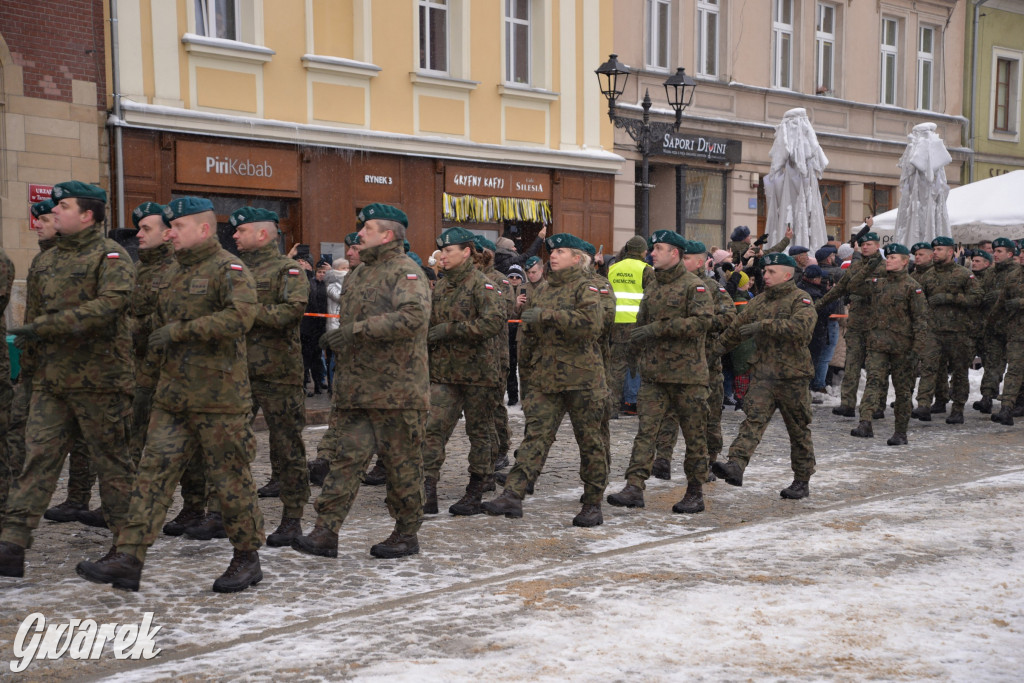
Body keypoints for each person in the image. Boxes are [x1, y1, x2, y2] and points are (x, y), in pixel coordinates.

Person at [76, 196, 265, 593]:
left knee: (230, 480)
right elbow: (147, 319)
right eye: (170, 227)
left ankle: (247, 557)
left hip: (219, 400)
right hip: (172, 396)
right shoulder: (172, 272)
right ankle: (129, 557)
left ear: (204, 229)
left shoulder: (228, 269)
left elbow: (240, 317)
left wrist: (182, 331)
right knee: (151, 476)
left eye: (178, 227)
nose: (171, 234)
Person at [1, 181, 137, 580]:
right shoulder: (46, 261)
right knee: (35, 460)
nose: (53, 212)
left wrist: (52, 325)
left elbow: (111, 306)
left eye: (63, 206)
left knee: (112, 465)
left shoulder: (111, 256)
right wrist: (28, 375)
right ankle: (12, 544)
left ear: (88, 215)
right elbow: (33, 324)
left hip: (101, 381)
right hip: (50, 381)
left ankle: (126, 552)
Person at [291, 203, 430, 559]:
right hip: (357, 389)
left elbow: (412, 317)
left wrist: (355, 331)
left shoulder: (406, 271)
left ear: (386, 234)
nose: (359, 235)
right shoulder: (358, 274)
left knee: (401, 467)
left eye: (367, 229)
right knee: (345, 462)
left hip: (396, 393)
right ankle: (325, 531)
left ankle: (405, 532)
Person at [483, 233, 608, 526]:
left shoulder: (586, 287)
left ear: (577, 258)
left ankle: (592, 503)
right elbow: (529, 333)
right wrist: (527, 373)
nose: (553, 255)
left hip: (582, 379)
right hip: (546, 377)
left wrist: (548, 316)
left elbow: (592, 326)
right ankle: (513, 495)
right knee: (535, 436)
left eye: (561, 251)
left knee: (590, 441)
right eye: (552, 251)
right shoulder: (544, 287)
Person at [607, 233, 713, 513]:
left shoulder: (695, 286)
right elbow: (642, 320)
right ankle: (634, 486)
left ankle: (695, 491)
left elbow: (702, 323)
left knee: (694, 435)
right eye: (652, 248)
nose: (653, 253)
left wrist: (659, 329)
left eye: (659, 249)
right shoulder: (652, 283)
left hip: (687, 376)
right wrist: (634, 349)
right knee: (646, 432)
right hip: (654, 374)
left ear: (675, 254)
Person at [232, 206, 312, 547]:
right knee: (229, 445)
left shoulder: (288, 270)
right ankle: (228, 514)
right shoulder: (231, 269)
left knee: (286, 447)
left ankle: (292, 517)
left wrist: (245, 313)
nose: (234, 235)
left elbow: (290, 313)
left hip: (278, 373)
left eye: (241, 230)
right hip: (237, 372)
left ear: (262, 234)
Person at [711, 252, 817, 499]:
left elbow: (801, 329)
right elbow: (735, 331)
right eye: (765, 272)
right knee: (753, 420)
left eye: (771, 272)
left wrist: (764, 326)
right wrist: (712, 352)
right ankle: (736, 465)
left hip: (793, 376)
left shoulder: (800, 299)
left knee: (798, 430)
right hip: (763, 374)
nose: (765, 276)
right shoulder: (758, 301)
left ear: (787, 275)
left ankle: (802, 479)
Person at [422, 227, 504, 516]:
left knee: (479, 432)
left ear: (466, 252)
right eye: (441, 251)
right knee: (433, 428)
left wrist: (450, 331)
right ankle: (427, 488)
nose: (442, 256)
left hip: (478, 374)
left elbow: (493, 322)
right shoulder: (442, 287)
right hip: (444, 373)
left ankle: (477, 487)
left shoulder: (482, 285)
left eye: (448, 251)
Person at [848, 243, 929, 444]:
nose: (889, 260)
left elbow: (920, 320)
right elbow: (853, 285)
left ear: (904, 262)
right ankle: (865, 422)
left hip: (903, 347)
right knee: (873, 382)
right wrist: (869, 265)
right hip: (878, 344)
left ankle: (900, 432)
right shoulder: (879, 283)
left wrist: (917, 350)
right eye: (888, 257)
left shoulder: (913, 287)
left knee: (902, 391)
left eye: (893, 258)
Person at [308, 231, 362, 487]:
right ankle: (325, 460)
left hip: (382, 369)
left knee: (386, 429)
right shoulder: (353, 279)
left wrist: (351, 333)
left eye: (355, 248)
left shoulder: (392, 278)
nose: (349, 253)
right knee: (341, 413)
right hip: (351, 361)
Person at [815, 230, 887, 418]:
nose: (865, 247)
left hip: (876, 325)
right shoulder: (855, 267)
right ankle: (847, 403)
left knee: (876, 368)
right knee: (852, 365)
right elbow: (840, 289)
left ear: (877, 246)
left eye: (869, 244)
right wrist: (818, 305)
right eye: (862, 244)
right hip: (856, 324)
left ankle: (877, 405)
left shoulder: (885, 268)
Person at [911, 236, 983, 425]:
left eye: (939, 250)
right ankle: (924, 405)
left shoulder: (963, 274)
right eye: (933, 250)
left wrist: (950, 297)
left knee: (959, 372)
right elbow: (918, 301)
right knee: (929, 368)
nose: (935, 253)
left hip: (959, 332)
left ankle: (957, 409)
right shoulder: (928, 275)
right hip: (933, 331)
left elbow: (977, 298)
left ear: (950, 252)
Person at [606, 236, 653, 416]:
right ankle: (635, 403)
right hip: (638, 323)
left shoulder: (613, 268)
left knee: (616, 366)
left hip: (616, 322)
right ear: (643, 251)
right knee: (638, 364)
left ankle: (612, 406)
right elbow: (652, 296)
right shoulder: (646, 270)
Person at [976, 238, 1021, 414]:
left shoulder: (1017, 272)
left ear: (1010, 254)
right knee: (992, 363)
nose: (995, 254)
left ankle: (1017, 400)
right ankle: (987, 397)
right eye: (994, 251)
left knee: (1016, 367)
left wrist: (998, 295)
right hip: (994, 326)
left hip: (1014, 327)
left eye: (999, 251)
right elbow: (979, 290)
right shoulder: (990, 272)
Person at [799, 265, 841, 397]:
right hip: (815, 332)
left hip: (812, 331)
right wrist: (832, 296)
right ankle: (811, 388)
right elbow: (825, 311)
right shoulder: (812, 293)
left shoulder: (802, 287)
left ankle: (810, 387)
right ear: (815, 279)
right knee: (813, 360)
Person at [300, 257, 328, 396]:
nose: (321, 274)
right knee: (306, 357)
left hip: (321, 327)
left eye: (324, 272)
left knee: (318, 357)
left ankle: (318, 384)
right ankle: (305, 384)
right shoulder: (310, 284)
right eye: (319, 272)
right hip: (307, 327)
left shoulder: (328, 285)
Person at [505, 264, 526, 406]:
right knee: (510, 368)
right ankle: (512, 397)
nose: (514, 279)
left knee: (524, 367)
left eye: (517, 277)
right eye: (511, 277)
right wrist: (514, 305)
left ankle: (525, 398)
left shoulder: (525, 291)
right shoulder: (504, 291)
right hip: (507, 334)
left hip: (522, 334)